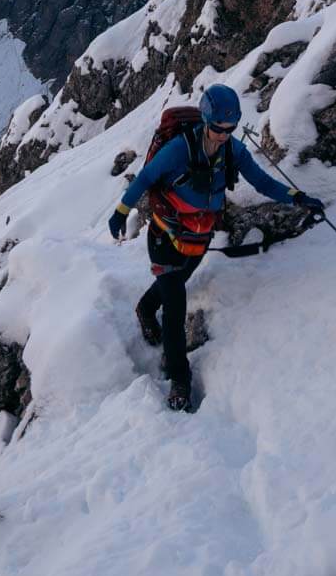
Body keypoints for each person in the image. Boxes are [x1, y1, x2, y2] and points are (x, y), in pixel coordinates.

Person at [109, 84, 323, 411]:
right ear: (206, 121)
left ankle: (144, 307)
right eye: (219, 128)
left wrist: (296, 197)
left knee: (176, 283)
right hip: (165, 236)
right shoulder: (178, 150)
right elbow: (145, 177)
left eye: (231, 129)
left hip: (199, 235)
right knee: (175, 304)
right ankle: (180, 378)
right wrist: (120, 212)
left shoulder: (232, 151)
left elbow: (261, 181)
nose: (224, 135)